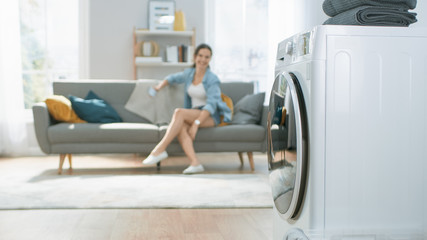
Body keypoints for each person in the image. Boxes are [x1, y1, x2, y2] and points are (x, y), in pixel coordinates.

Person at [142, 43, 231, 174]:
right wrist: (158, 87)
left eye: (207, 57)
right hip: (194, 112)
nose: (203, 60)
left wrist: (196, 123)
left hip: (210, 115)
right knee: (181, 127)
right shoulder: (190, 74)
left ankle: (159, 150)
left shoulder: (213, 79)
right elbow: (172, 78)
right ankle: (195, 163)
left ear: (210, 59)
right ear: (195, 57)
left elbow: (211, 105)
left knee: (179, 112)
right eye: (200, 56)